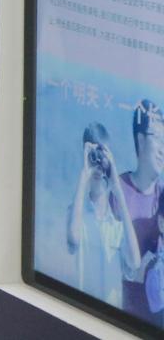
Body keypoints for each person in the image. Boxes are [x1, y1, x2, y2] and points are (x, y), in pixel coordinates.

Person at [68, 121, 145, 308]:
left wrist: (117, 187)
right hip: (79, 310)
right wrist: (84, 173)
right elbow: (74, 238)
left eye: (102, 157)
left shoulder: (117, 225)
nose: (98, 164)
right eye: (93, 156)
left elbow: (135, 262)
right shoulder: (76, 213)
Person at [116, 99, 164, 323]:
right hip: (122, 314)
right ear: (141, 140)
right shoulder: (116, 190)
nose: (163, 149)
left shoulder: (163, 195)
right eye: (159, 138)